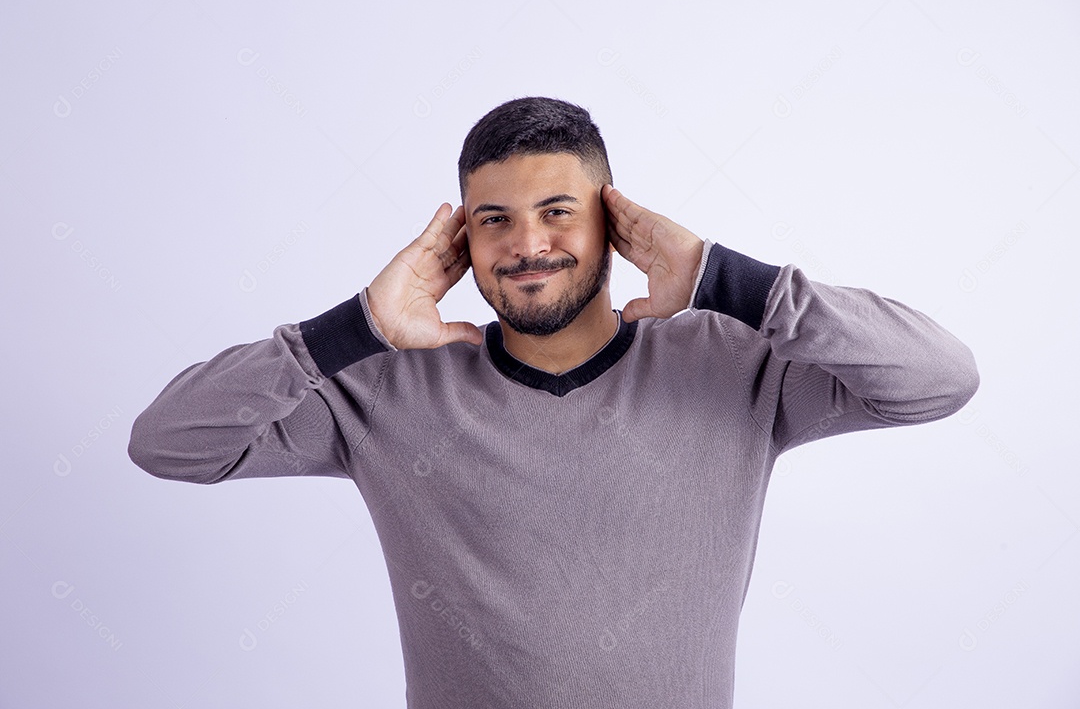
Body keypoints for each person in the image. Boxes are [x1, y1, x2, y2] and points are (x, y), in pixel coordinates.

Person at [128, 96, 979, 708]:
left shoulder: (731, 367)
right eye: (494, 218)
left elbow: (938, 377)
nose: (527, 245)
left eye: (557, 212)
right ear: (463, 237)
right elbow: (169, 443)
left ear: (613, 219)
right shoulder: (384, 392)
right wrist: (356, 328)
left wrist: (726, 279)